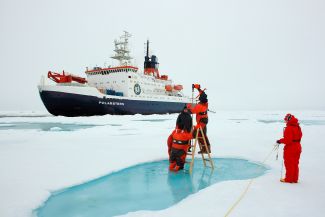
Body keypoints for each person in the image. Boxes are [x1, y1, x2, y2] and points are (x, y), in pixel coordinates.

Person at [276, 113, 303, 183]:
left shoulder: (289, 128)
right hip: (298, 147)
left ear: (288, 120)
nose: (285, 121)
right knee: (295, 163)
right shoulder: (298, 127)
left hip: (291, 148)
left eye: (285, 120)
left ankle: (289, 179)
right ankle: (294, 179)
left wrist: (279, 141)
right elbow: (299, 136)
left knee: (289, 164)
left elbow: (288, 140)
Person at [186, 84, 211, 153]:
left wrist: (188, 106)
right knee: (203, 135)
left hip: (201, 122)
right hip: (204, 121)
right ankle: (206, 149)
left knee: (193, 134)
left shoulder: (200, 106)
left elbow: (191, 111)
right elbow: (203, 94)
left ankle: (187, 147)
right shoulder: (205, 103)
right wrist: (198, 88)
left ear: (200, 100)